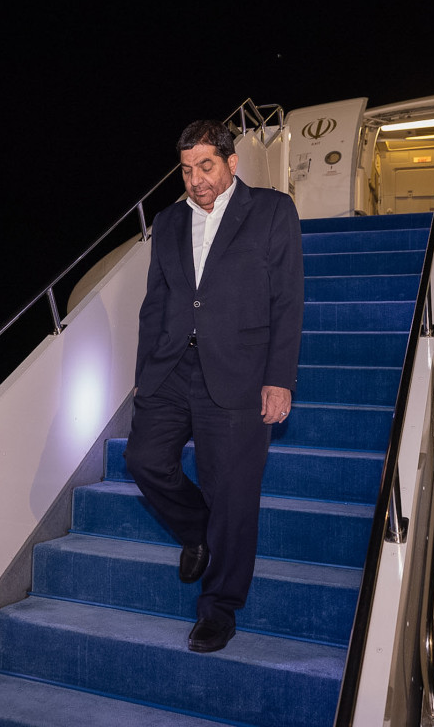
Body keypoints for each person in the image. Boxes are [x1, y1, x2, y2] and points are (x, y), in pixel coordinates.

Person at [125, 119, 303, 653]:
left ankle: (219, 608)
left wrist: (279, 379)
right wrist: (144, 375)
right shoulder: (168, 221)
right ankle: (198, 529)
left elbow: (288, 299)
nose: (196, 179)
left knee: (233, 494)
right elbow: (156, 303)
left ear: (231, 162)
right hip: (171, 369)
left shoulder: (272, 210)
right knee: (144, 461)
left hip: (240, 373)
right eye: (186, 170)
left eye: (206, 166)